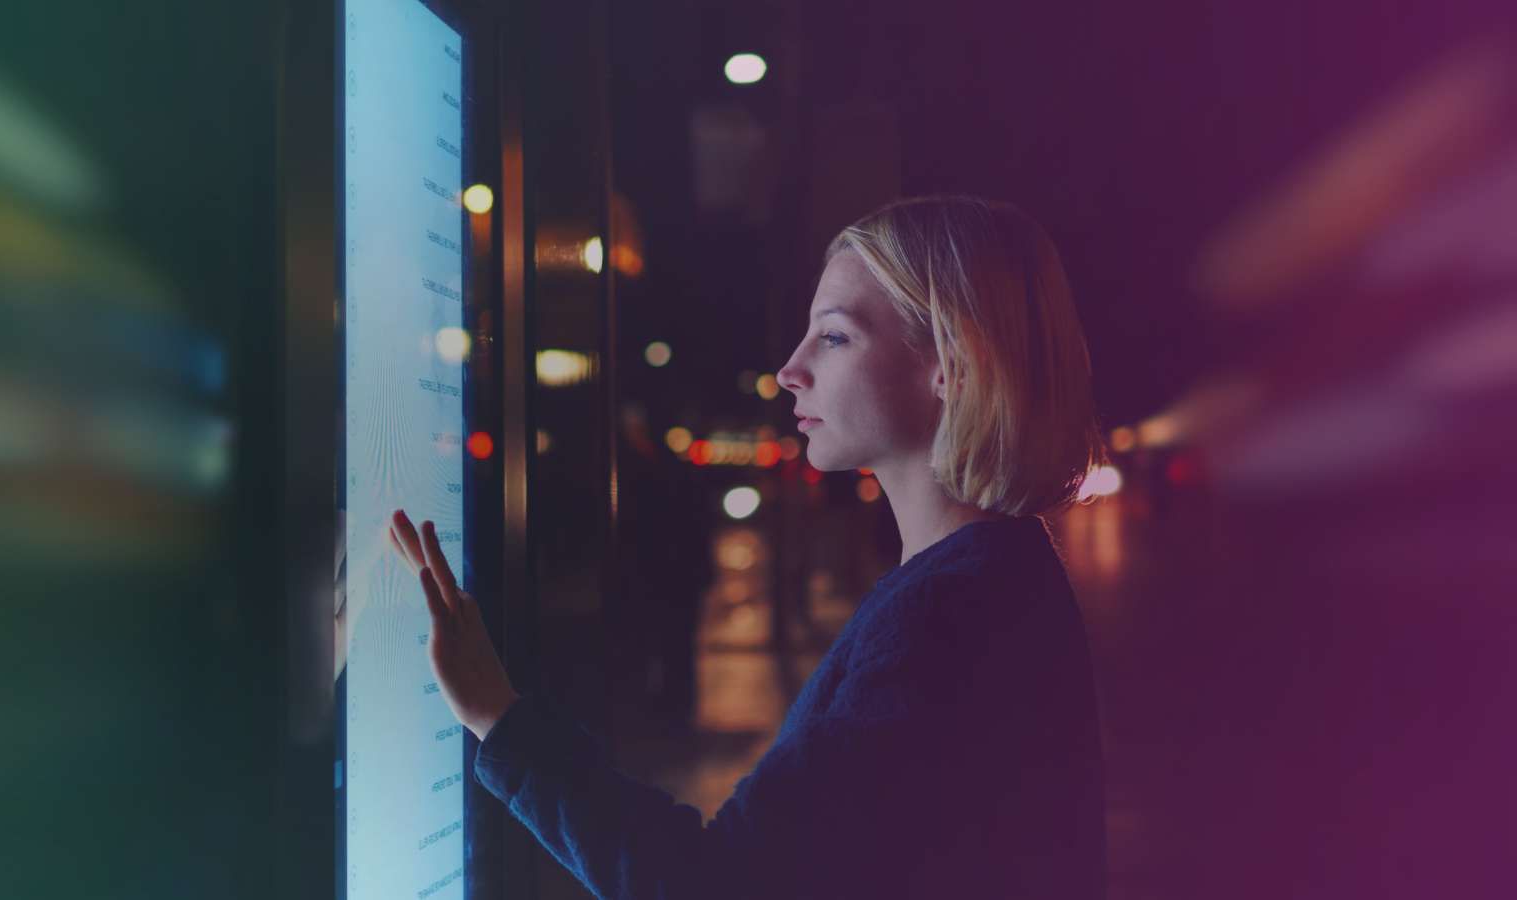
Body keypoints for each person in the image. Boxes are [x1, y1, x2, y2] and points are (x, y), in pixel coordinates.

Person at [390, 195, 1108, 899]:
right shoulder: (991, 578)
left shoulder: (945, 616)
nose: (790, 370)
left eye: (834, 337)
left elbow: (721, 884)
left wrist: (498, 716)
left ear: (949, 363)